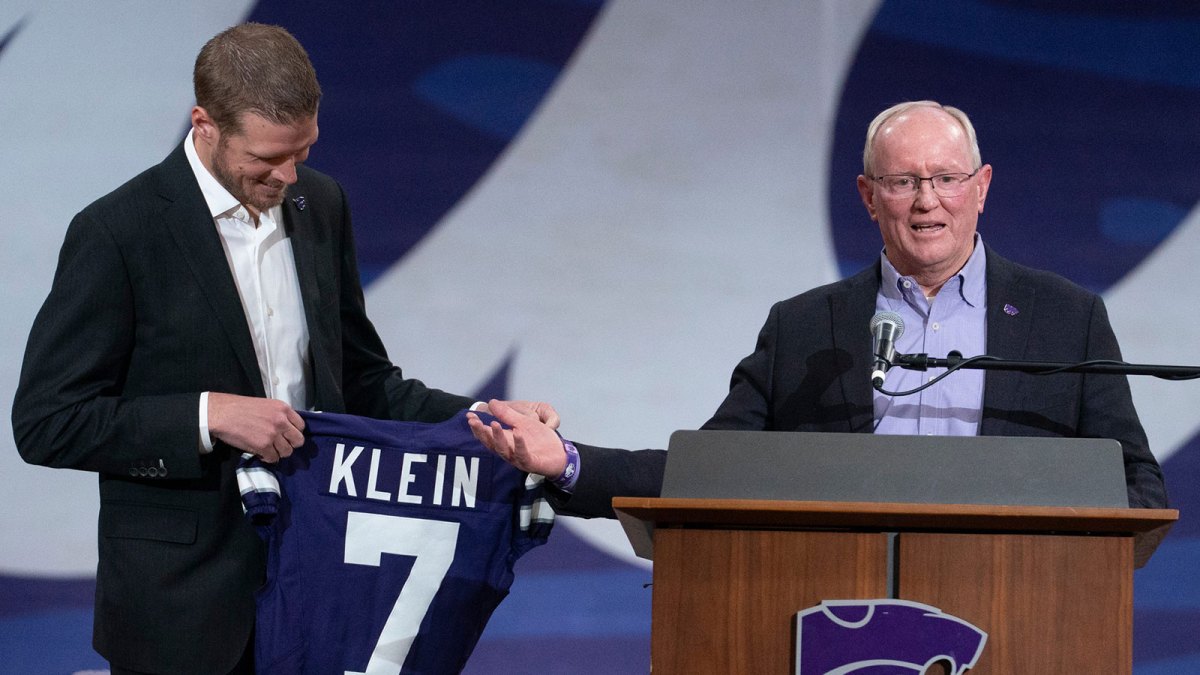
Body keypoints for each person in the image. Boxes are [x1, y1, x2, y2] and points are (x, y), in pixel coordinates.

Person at [10, 23, 556, 675]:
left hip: (315, 586)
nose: (287, 175)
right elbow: (47, 421)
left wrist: (488, 420)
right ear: (204, 124)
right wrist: (208, 416)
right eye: (267, 159)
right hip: (180, 608)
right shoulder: (118, 232)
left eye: (302, 151)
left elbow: (364, 381)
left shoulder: (319, 204)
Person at [468, 100, 1168, 518]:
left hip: (1021, 603)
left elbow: (1138, 489)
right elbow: (711, 469)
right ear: (868, 195)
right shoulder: (805, 328)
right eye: (902, 181)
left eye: (947, 179)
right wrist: (566, 461)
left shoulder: (1063, 317)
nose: (928, 200)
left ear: (981, 187)